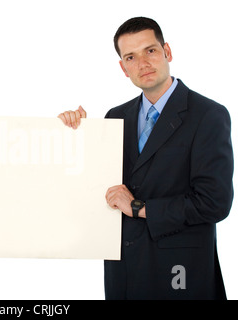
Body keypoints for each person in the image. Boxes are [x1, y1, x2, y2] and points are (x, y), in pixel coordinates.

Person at [58, 17, 233, 299]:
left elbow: (214, 203)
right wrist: (73, 134)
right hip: (124, 271)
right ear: (123, 68)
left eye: (150, 51)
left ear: (167, 52)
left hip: (180, 272)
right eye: (131, 56)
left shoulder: (208, 115)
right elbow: (97, 187)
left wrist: (139, 207)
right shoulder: (115, 117)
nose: (143, 62)